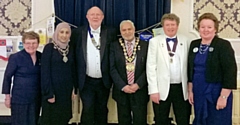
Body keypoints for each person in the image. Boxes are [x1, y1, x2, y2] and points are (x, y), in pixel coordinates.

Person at [188, 12, 237, 125]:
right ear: (198, 29)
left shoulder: (223, 45)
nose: (206, 30)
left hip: (217, 92)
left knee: (217, 120)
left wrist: (223, 96)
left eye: (209, 27)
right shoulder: (194, 44)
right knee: (200, 120)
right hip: (198, 90)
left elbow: (230, 72)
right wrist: (190, 91)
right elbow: (190, 69)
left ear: (215, 29)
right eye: (203, 27)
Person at [71, 6, 116, 125]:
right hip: (86, 81)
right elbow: (74, 57)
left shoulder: (111, 32)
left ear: (103, 17)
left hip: (104, 80)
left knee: (102, 109)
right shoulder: (77, 33)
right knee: (88, 109)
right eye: (92, 14)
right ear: (87, 17)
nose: (95, 17)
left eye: (98, 15)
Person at [146, 13, 191, 125]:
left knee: (183, 119)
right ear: (163, 26)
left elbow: (190, 66)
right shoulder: (154, 42)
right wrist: (153, 90)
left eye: (173, 24)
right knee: (161, 120)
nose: (170, 27)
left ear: (178, 25)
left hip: (181, 88)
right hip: (161, 89)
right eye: (167, 25)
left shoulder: (186, 41)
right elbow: (151, 67)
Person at [110, 20, 149, 125]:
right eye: (124, 30)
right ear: (120, 32)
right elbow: (112, 69)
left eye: (129, 29)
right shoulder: (114, 46)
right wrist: (123, 86)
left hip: (140, 90)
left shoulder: (145, 45)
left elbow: (149, 68)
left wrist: (138, 84)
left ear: (134, 29)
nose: (127, 32)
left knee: (140, 120)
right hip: (122, 91)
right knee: (123, 120)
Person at [40, 22, 77, 125]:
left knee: (64, 118)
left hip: (66, 90)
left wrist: (74, 88)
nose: (64, 35)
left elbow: (73, 70)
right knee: (51, 119)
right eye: (61, 32)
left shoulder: (71, 48)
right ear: (57, 33)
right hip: (52, 91)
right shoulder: (49, 48)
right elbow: (45, 72)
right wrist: (49, 93)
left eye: (67, 32)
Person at [2, 31, 41, 125]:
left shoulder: (41, 56)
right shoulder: (15, 57)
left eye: (34, 43)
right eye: (28, 43)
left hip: (35, 97)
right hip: (19, 98)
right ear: (23, 44)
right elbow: (7, 77)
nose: (31, 46)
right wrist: (7, 97)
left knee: (33, 121)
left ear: (38, 43)